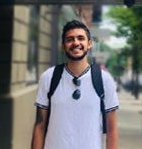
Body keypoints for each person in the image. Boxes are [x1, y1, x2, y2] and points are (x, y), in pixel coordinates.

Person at [31, 20, 119, 149]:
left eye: (80, 38)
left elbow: (112, 130)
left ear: (89, 44)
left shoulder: (104, 79)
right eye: (70, 39)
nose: (76, 43)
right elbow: (40, 126)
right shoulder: (49, 77)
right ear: (63, 46)